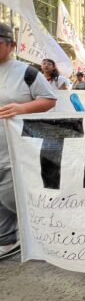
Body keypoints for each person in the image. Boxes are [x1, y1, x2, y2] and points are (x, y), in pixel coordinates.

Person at [0, 23, 57, 260]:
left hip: (14, 150)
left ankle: (42, 233)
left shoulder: (27, 72)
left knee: (10, 195)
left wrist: (22, 108)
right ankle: (8, 239)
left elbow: (49, 99)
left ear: (11, 45)